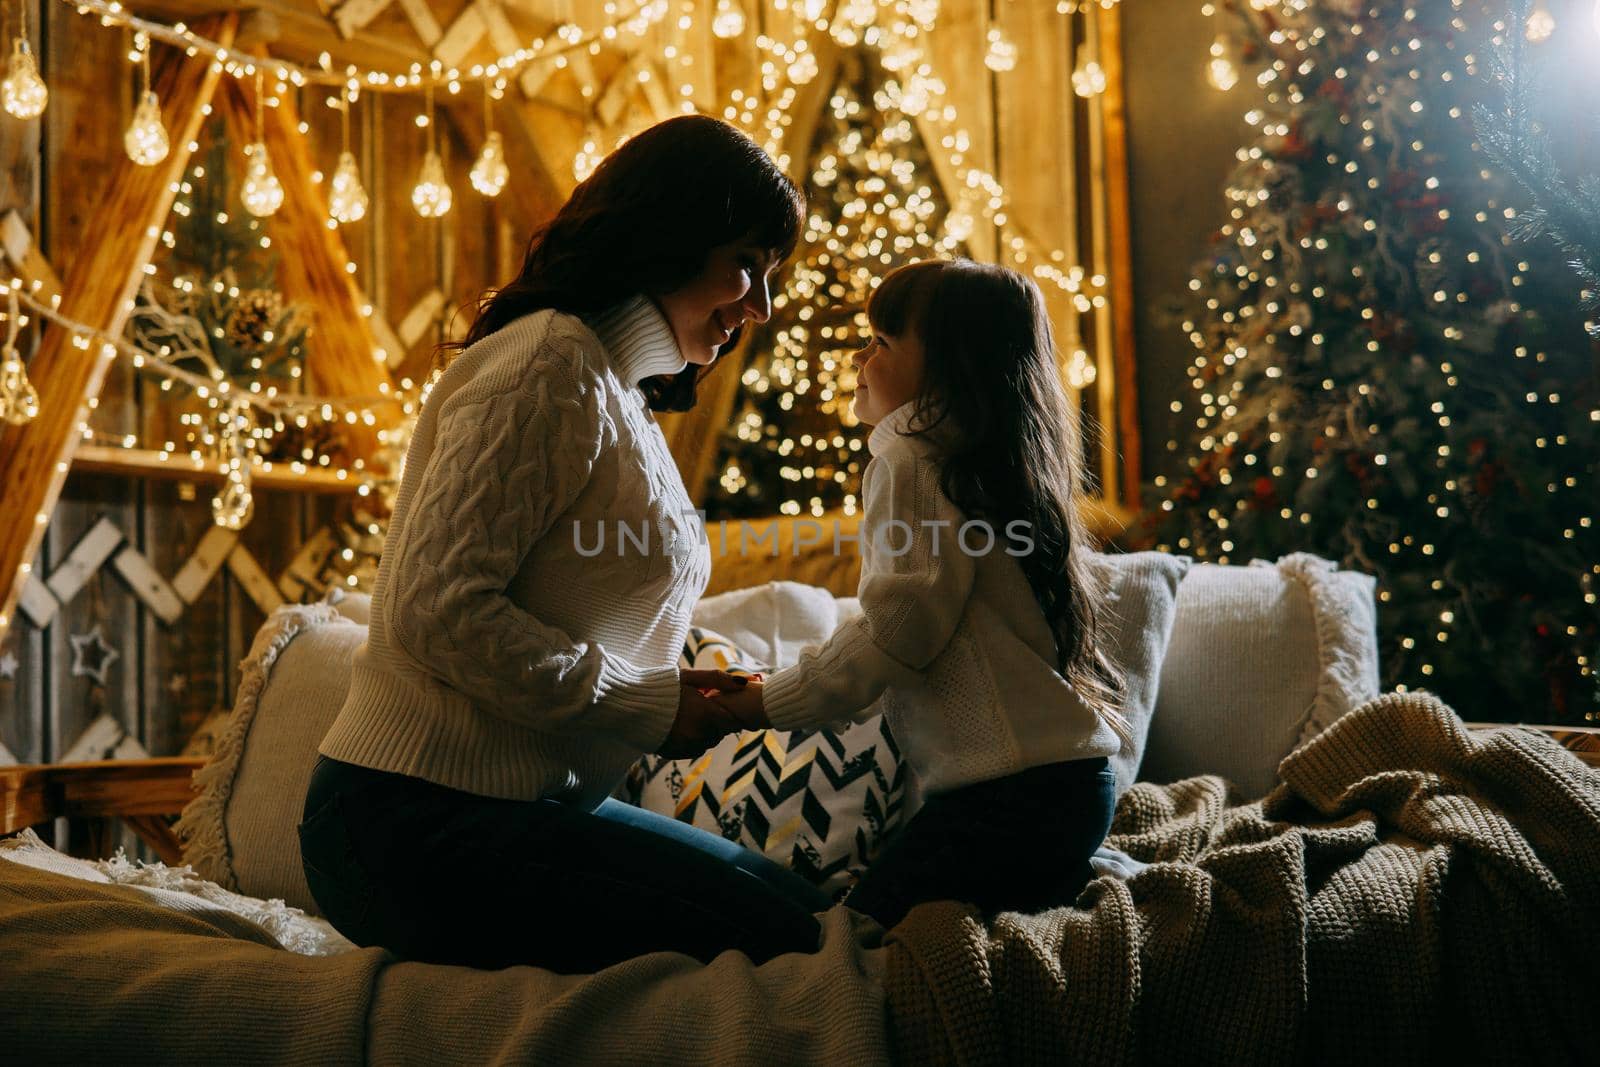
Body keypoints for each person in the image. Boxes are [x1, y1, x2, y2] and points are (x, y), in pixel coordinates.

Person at [298, 115, 832, 974]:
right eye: (748, 263)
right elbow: (439, 610)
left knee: (813, 913)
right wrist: (646, 705)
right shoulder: (549, 366)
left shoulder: (617, 388)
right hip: (408, 822)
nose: (762, 306)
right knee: (800, 950)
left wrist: (665, 689)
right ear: (671, 234)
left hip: (513, 808)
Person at [716, 258, 1129, 930]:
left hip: (1009, 799)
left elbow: (895, 631)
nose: (859, 354)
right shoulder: (987, 468)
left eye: (880, 341)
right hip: (1068, 786)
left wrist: (765, 701)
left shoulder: (908, 459)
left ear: (948, 368)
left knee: (853, 941)